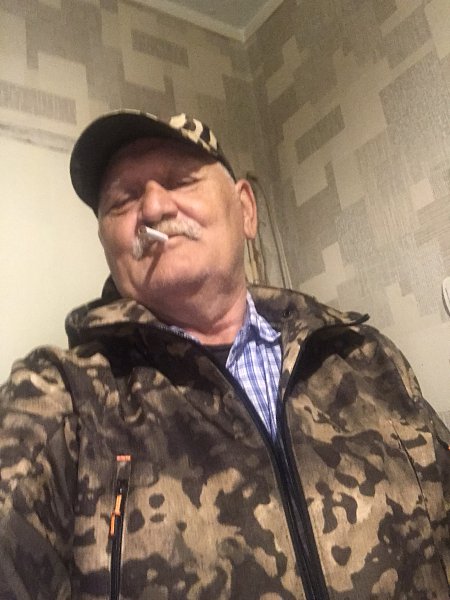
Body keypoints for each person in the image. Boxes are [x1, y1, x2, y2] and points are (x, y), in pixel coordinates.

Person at [0, 109, 448, 600]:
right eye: (122, 200)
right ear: (108, 244)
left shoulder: (366, 357)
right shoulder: (60, 397)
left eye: (180, 181)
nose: (153, 208)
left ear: (246, 210)